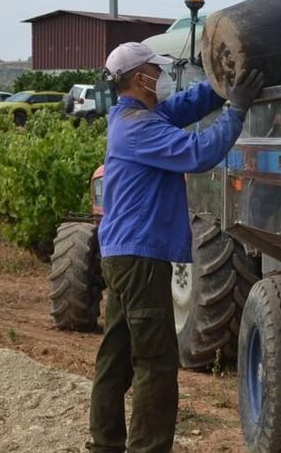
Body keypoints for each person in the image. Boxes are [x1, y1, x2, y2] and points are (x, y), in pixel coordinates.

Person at [88, 42, 263, 453]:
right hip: (141, 259)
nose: (161, 76)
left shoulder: (137, 117)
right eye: (155, 69)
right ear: (139, 78)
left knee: (116, 357)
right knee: (156, 364)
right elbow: (199, 152)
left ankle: (104, 444)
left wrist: (222, 84)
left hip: (124, 256)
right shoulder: (140, 128)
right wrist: (236, 109)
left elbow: (187, 104)